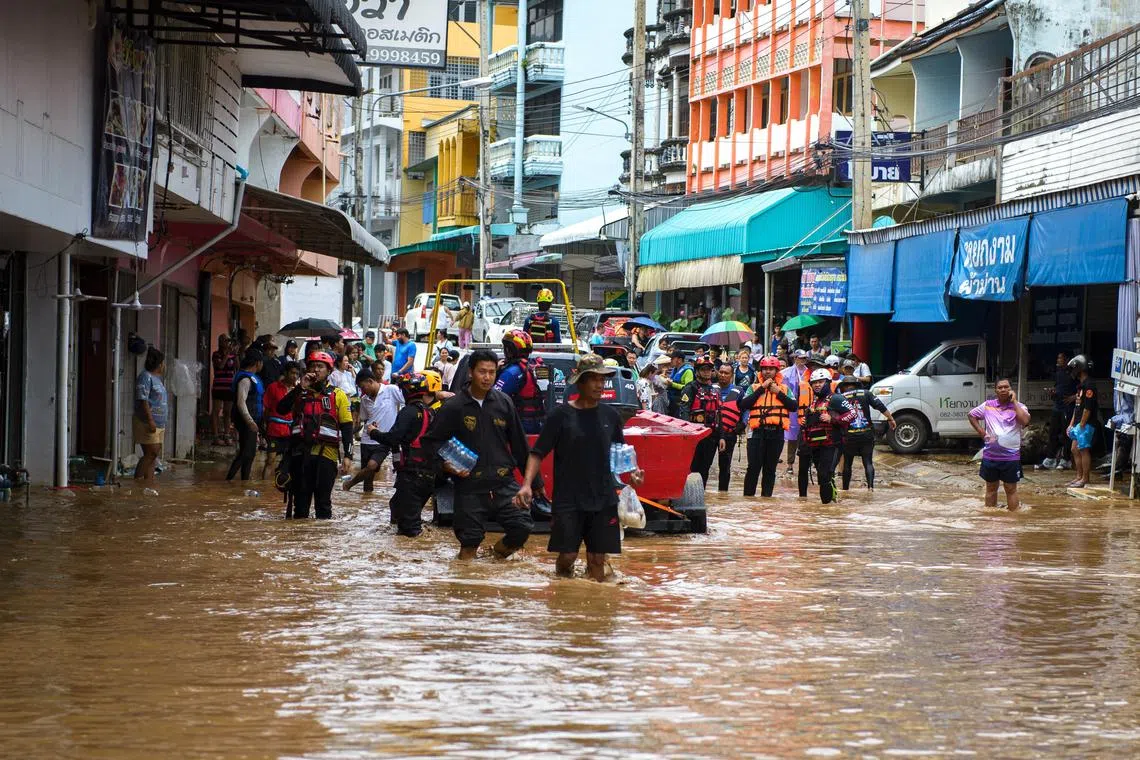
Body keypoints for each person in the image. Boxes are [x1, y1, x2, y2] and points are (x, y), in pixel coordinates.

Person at [516, 354, 645, 582]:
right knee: (567, 556)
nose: (599, 384)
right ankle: (563, 595)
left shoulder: (611, 416)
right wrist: (527, 485)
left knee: (597, 560)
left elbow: (621, 454)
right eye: (593, 379)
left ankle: (594, 611)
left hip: (604, 498)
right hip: (569, 499)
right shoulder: (560, 416)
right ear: (580, 382)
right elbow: (537, 453)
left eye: (602, 379)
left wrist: (633, 474)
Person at [423, 349, 533, 560]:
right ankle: (467, 583)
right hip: (469, 487)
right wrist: (444, 465)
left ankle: (496, 557)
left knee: (522, 527)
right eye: (482, 372)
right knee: (469, 542)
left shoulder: (504, 403)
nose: (487, 377)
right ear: (471, 372)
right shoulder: (454, 406)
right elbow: (430, 442)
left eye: (492, 372)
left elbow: (520, 445)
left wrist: (534, 483)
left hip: (503, 483)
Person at [276, 351, 354, 519]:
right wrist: (300, 387)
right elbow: (281, 409)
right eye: (313, 366)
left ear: (329, 371)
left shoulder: (337, 395)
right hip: (300, 455)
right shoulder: (300, 392)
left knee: (323, 503)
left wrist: (348, 455)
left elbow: (347, 427)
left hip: (327, 455)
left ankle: (321, 540)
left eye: (320, 367)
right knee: (301, 504)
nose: (316, 370)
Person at [365, 373, 436, 536]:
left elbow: (393, 438)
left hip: (412, 475)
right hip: (428, 474)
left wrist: (374, 432)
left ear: (406, 391)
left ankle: (412, 556)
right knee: (396, 506)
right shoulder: (430, 412)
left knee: (409, 527)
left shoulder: (408, 411)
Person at [738, 356, 797, 498]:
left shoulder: (784, 389)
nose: (767, 372)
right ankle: (748, 499)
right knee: (753, 468)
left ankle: (766, 500)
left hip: (776, 434)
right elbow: (744, 404)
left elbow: (793, 406)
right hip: (757, 433)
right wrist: (762, 389)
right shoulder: (753, 388)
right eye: (765, 369)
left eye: (771, 369)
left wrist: (778, 392)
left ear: (776, 371)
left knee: (770, 469)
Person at [968, 378, 1031, 510]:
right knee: (991, 488)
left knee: (1011, 489)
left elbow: (1025, 421)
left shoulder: (1020, 407)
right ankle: (990, 519)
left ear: (1011, 389)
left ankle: (1013, 519)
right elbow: (971, 415)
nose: (1003, 390)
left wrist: (1014, 402)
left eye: (1006, 387)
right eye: (1000, 387)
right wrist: (981, 432)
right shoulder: (988, 405)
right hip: (990, 456)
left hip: (1011, 458)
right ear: (995, 390)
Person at [798, 367, 856, 504]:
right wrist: (806, 421)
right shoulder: (815, 402)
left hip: (833, 444)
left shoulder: (836, 398)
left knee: (825, 474)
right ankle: (831, 504)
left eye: (821, 382)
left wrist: (833, 419)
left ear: (828, 382)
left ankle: (826, 506)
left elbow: (853, 413)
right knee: (823, 476)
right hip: (816, 445)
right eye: (814, 382)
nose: (817, 385)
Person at [342, 369, 404, 493]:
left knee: (372, 466)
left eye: (363, 387)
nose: (362, 391)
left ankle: (350, 484)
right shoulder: (364, 399)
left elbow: (405, 401)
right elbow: (366, 418)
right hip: (367, 440)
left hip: (383, 439)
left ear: (370, 381)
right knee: (368, 478)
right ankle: (365, 504)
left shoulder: (390, 390)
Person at [838, 375, 895, 490]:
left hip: (849, 436)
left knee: (848, 464)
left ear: (844, 386)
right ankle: (870, 488)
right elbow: (880, 406)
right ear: (856, 384)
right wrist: (890, 418)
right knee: (868, 462)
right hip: (867, 434)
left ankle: (845, 490)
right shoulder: (866, 393)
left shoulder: (840, 398)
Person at [678, 357, 722, 486]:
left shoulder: (715, 389)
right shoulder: (690, 388)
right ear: (697, 371)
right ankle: (690, 496)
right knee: (692, 468)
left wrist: (721, 437)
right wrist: (688, 434)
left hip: (711, 435)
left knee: (705, 468)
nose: (706, 372)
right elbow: (684, 411)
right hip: (695, 436)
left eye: (709, 370)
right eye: (703, 370)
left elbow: (719, 413)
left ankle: (701, 495)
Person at [494, 329, 546, 435]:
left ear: (509, 350)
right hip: (537, 420)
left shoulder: (512, 372)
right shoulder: (535, 366)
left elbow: (493, 397)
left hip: (519, 423)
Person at [226, 350, 265, 482]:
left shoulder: (252, 377)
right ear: (257, 363)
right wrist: (249, 421)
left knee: (249, 454)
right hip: (246, 420)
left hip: (252, 419)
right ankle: (228, 480)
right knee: (246, 453)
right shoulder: (245, 379)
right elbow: (241, 402)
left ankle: (244, 482)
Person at [134, 347, 168, 483]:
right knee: (151, 453)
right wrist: (150, 420)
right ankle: (137, 482)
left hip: (159, 423)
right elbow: (143, 400)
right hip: (147, 422)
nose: (164, 366)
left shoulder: (157, 378)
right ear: (159, 364)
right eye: (163, 363)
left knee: (153, 456)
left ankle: (148, 483)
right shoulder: (145, 377)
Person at [261, 361, 298, 482]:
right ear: (286, 373)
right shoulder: (273, 387)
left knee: (289, 462)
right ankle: (264, 487)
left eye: (297, 374)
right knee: (270, 460)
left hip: (291, 431)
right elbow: (266, 409)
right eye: (292, 373)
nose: (295, 376)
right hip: (274, 429)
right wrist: (265, 427)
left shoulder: (298, 390)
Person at [715, 364, 747, 492]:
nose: (723, 375)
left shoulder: (738, 391)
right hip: (711, 434)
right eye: (721, 372)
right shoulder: (711, 389)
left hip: (729, 433)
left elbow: (745, 409)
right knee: (704, 466)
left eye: (726, 373)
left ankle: (723, 493)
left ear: (732, 376)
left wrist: (743, 424)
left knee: (724, 466)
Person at [1067, 354, 1098, 488]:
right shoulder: (1081, 386)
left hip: (1086, 423)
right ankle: (1079, 476)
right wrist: (1072, 423)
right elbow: (1077, 407)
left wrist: (1082, 424)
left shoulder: (1089, 386)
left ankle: (1085, 478)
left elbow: (1088, 408)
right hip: (1079, 423)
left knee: (1083, 449)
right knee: (1074, 449)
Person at [1043, 350, 1077, 470]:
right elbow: (1058, 388)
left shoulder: (1073, 373)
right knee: (1052, 433)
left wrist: (1073, 397)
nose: (1058, 360)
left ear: (1067, 360)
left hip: (1067, 409)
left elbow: (1082, 390)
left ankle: (1066, 459)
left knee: (1066, 434)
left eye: (1060, 358)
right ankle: (1050, 459)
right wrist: (1052, 392)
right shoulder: (1058, 373)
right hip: (1057, 407)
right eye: (1058, 358)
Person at [782, 350, 809, 477]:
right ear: (795, 358)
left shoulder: (810, 372)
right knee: (792, 437)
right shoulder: (786, 373)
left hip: (807, 409)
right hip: (793, 410)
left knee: (807, 436)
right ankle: (790, 465)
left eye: (804, 358)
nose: (803, 360)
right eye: (800, 358)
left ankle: (807, 465)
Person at [210, 334, 237, 444]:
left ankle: (226, 434)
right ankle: (216, 436)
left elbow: (237, 367)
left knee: (228, 412)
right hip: (218, 387)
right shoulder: (216, 354)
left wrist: (236, 354)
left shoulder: (232, 355)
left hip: (229, 387)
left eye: (228, 341)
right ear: (220, 342)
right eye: (225, 341)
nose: (227, 343)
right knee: (216, 411)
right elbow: (220, 366)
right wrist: (227, 355)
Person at [667, 349, 694, 417]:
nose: (671, 360)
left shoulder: (688, 371)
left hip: (681, 401)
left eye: (673, 358)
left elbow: (688, 388)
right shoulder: (675, 369)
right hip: (671, 399)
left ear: (679, 360)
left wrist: (673, 384)